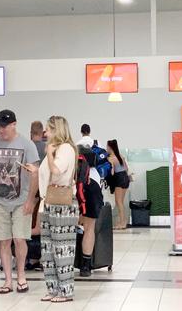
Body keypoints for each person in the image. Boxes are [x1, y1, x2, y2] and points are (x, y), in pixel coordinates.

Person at [0, 109, 39, 295]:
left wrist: (30, 200)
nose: (1, 130)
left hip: (21, 200)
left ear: (14, 124)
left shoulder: (27, 145)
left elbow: (35, 174)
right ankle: (7, 280)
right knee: (4, 241)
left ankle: (21, 276)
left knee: (19, 239)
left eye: (4, 126)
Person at [35, 115, 78, 303]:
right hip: (49, 203)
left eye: (48, 129)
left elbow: (57, 171)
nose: (45, 132)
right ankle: (53, 288)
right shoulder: (54, 149)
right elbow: (47, 174)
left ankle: (66, 291)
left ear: (57, 130)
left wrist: (51, 154)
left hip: (62, 206)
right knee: (48, 250)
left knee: (63, 249)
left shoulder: (66, 149)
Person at [76, 146, 104, 277]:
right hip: (93, 192)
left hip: (72, 190)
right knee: (89, 228)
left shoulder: (75, 171)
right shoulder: (95, 174)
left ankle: (66, 261)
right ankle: (85, 266)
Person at [107, 139, 131, 230]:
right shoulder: (121, 156)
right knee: (121, 202)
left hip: (119, 179)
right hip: (125, 178)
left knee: (119, 202)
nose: (106, 148)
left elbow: (112, 172)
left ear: (110, 147)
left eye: (107, 146)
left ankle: (122, 223)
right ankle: (122, 221)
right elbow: (126, 169)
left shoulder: (111, 158)